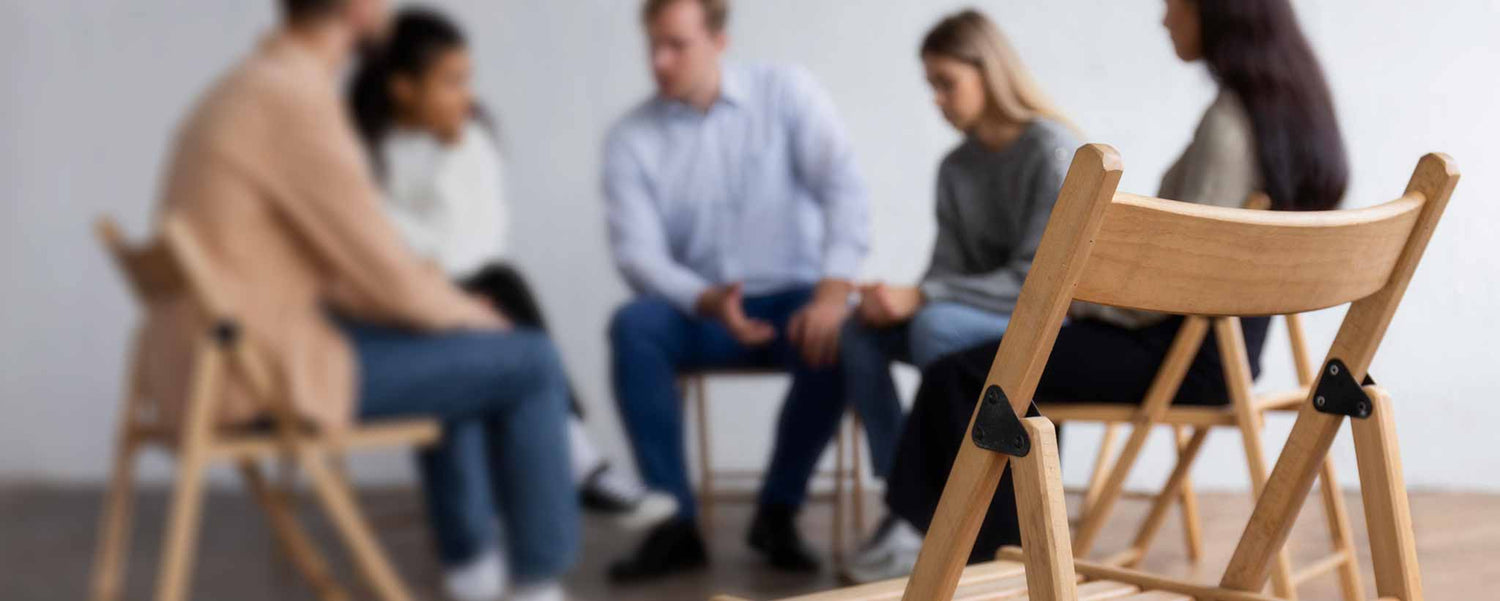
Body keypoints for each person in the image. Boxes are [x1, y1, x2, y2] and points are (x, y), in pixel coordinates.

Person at [142, 1, 584, 600]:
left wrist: (451, 317)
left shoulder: (250, 87)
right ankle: (535, 585)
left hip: (210, 363)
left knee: (460, 351)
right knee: (528, 361)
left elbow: (343, 270)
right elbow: (383, 271)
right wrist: (470, 315)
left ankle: (473, 573)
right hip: (259, 372)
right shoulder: (293, 102)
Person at [881, 0, 1349, 565]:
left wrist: (1086, 303)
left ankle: (1000, 560)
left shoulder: (1229, 125)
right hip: (1219, 348)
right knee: (981, 369)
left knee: (972, 377)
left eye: (1174, 5)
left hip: (1182, 353)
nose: (1164, 19)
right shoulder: (1284, 116)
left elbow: (1180, 277)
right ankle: (994, 551)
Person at [346, 6, 676, 530]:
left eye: (468, 79)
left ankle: (557, 484)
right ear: (404, 89)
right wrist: (429, 277)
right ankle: (579, 466)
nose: (467, 95)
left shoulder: (471, 140)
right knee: (502, 310)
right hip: (391, 311)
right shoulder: (359, 150)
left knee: (500, 287)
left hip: (462, 296)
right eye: (451, 81)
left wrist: (439, 271)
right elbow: (369, 244)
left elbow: (478, 243)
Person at [602, 0, 870, 582]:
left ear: (718, 39)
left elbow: (844, 190)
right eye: (653, 45)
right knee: (634, 325)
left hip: (795, 300)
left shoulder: (787, 93)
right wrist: (708, 302)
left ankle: (778, 510)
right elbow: (638, 255)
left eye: (676, 44)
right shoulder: (630, 138)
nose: (659, 61)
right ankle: (673, 523)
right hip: (702, 310)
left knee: (840, 330)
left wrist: (830, 294)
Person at [834, 9, 1081, 584]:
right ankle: (907, 499)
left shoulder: (1050, 151)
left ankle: (938, 505)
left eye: (947, 83)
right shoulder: (954, 168)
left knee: (932, 328)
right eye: (932, 86)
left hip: (1045, 319)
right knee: (857, 330)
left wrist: (920, 296)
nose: (938, 100)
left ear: (988, 72)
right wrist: (900, 297)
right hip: (969, 316)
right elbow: (945, 270)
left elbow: (1036, 279)